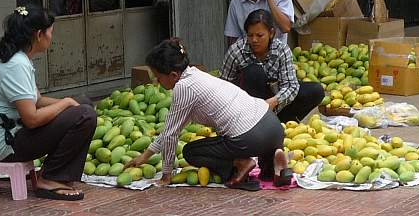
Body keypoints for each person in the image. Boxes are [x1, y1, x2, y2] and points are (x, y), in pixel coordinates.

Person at [124, 38, 293, 190]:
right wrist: (145, 156)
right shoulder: (197, 75)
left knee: (191, 152)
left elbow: (170, 134)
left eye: (158, 78)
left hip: (250, 137)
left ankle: (242, 163)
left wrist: (166, 175)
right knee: (265, 173)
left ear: (173, 75)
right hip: (273, 127)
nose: (156, 82)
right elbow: (172, 129)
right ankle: (274, 162)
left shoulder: (184, 88)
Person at [0, 4, 97, 201]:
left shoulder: (18, 59)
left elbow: (38, 100)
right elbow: (31, 119)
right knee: (85, 115)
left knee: (83, 104)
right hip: (8, 145)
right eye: (51, 31)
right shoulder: (16, 64)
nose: (52, 36)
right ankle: (50, 178)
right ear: (39, 35)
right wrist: (66, 103)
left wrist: (71, 103)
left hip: (17, 133)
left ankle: (53, 174)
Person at [220, 9, 324, 123]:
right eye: (250, 35)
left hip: (275, 103)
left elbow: (291, 86)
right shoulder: (236, 51)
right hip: (247, 107)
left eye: (259, 35)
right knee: (254, 71)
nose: (254, 40)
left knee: (315, 90)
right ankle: (254, 124)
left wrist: (273, 102)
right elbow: (222, 86)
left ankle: (282, 123)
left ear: (271, 33)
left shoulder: (281, 50)